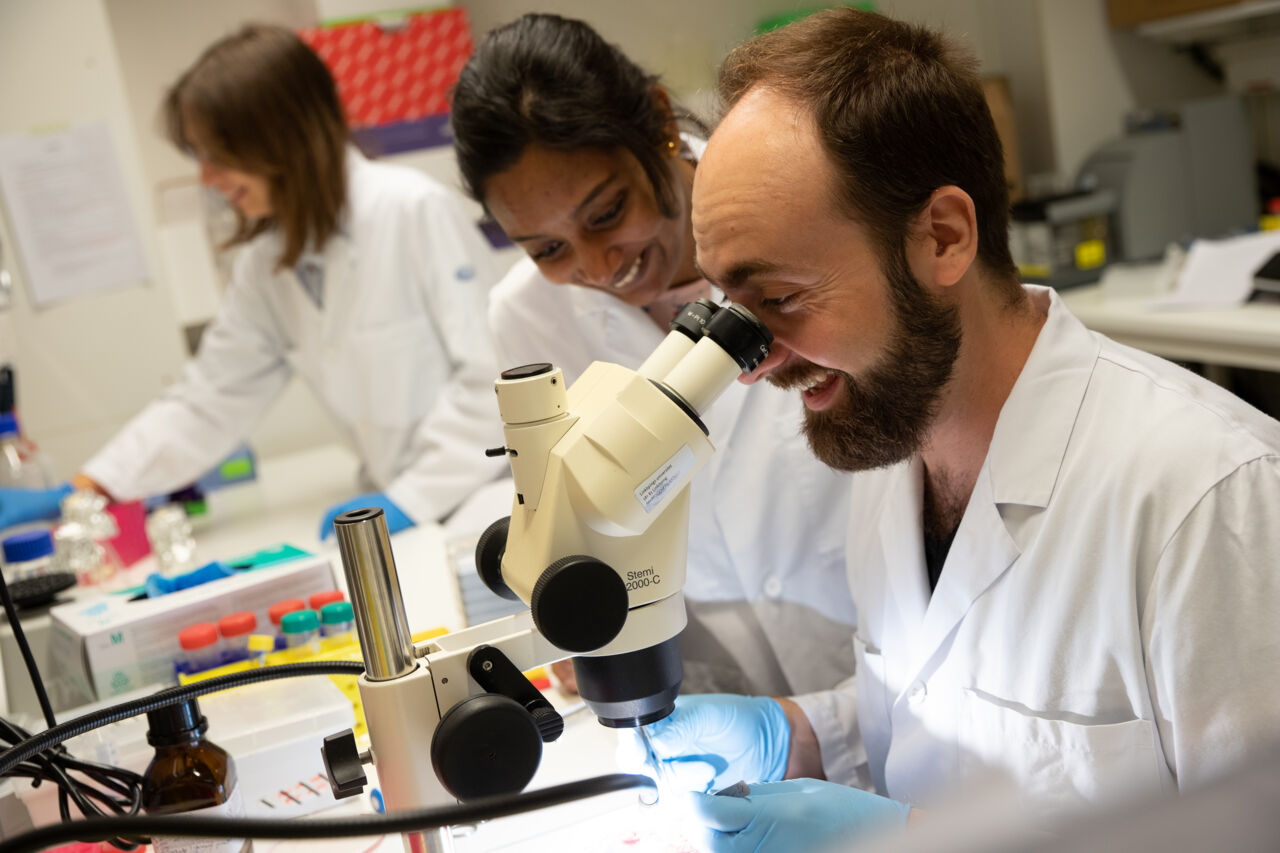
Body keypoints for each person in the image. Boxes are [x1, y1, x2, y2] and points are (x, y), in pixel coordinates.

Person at [640, 8, 1280, 852]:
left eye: (782, 300)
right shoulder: (891, 451)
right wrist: (795, 733)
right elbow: (943, 722)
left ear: (943, 237)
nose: (751, 366)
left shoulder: (1210, 499)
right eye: (729, 307)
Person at [449, 14, 858, 702]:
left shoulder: (797, 201)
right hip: (709, 665)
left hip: (883, 628)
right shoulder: (525, 314)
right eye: (546, 249)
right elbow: (570, 507)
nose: (596, 264)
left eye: (605, 212)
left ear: (661, 123)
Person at [0, 24, 506, 540]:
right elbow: (209, 401)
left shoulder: (413, 209)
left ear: (283, 138)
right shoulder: (267, 266)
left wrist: (409, 499)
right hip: (399, 515)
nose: (206, 178)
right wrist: (85, 489)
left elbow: (493, 380)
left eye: (217, 155)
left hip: (486, 502)